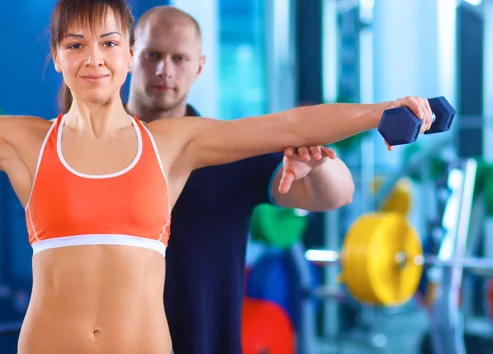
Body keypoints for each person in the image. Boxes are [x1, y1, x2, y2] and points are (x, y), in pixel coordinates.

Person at [0, 0, 433, 353]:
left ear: (127, 54)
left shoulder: (171, 144)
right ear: (56, 56)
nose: (94, 58)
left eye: (109, 43)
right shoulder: (26, 143)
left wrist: (382, 111)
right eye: (75, 45)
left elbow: (291, 127)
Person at [125, 6, 355, 354]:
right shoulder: (95, 148)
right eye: (152, 55)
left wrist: (318, 163)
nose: (164, 70)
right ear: (130, 55)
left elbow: (334, 195)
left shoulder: (227, 149)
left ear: (199, 66)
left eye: (179, 58)